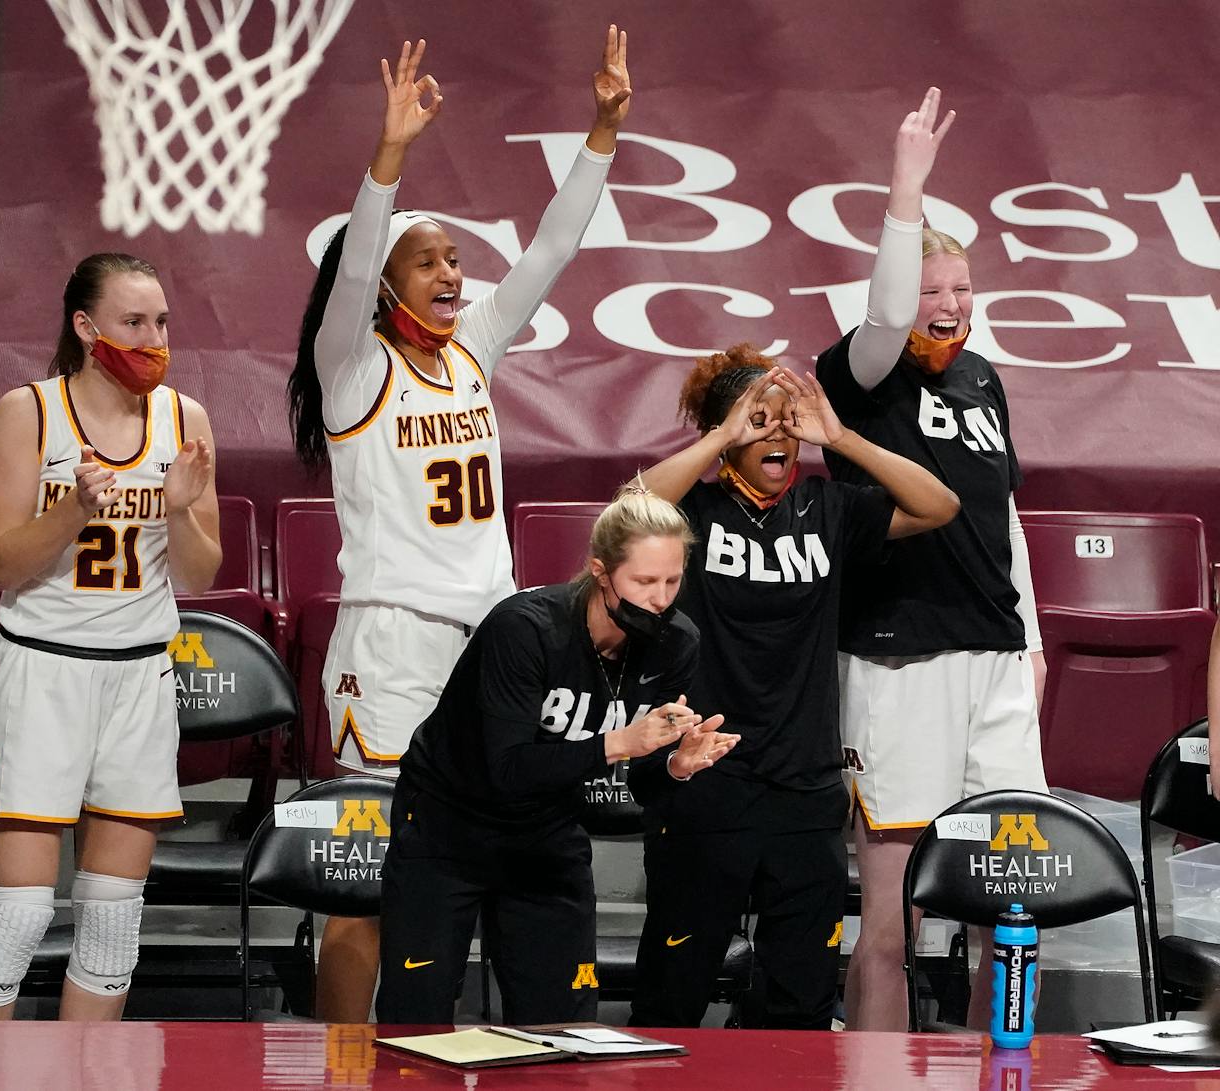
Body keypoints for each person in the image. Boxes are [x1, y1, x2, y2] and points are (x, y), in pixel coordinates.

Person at [286, 28, 633, 1021]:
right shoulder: (353, 369)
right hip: (391, 647)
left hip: (489, 651)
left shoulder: (475, 350)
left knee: (473, 867)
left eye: (456, 258)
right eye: (427, 259)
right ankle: (345, 1066)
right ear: (390, 285)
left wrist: (603, 132)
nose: (453, 272)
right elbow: (351, 276)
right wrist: (387, 160)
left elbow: (555, 248)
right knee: (367, 894)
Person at [625, 350, 957, 1029]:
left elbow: (939, 504)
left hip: (805, 791)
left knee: (799, 1007)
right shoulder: (694, 510)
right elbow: (631, 506)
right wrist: (722, 434)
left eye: (787, 424)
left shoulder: (827, 507)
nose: (776, 435)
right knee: (672, 996)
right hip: (706, 783)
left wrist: (838, 437)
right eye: (758, 422)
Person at [814, 88, 1048, 1031]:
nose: (947, 306)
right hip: (896, 664)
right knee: (890, 917)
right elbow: (881, 315)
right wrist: (905, 188)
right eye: (928, 288)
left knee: (1014, 904)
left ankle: (1008, 1067)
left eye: (960, 287)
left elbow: (1004, 517)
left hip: (993, 661)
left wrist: (1027, 637)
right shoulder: (861, 375)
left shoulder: (987, 378)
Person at [0, 252, 221, 1021]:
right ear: (85, 325)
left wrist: (176, 507)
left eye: (162, 321)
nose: (154, 337)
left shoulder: (186, 420)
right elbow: (4, 559)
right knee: (17, 918)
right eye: (134, 321)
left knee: (110, 927)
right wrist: (73, 510)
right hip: (44, 670)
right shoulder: (26, 411)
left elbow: (200, 573)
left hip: (140, 676)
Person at [375, 488, 739, 1024]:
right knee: (417, 1021)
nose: (661, 598)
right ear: (600, 570)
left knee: (561, 1026)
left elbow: (636, 784)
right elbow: (507, 770)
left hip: (547, 831)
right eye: (643, 581)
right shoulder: (524, 629)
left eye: (672, 580)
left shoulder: (677, 643)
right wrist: (619, 742)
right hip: (447, 827)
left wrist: (673, 767)